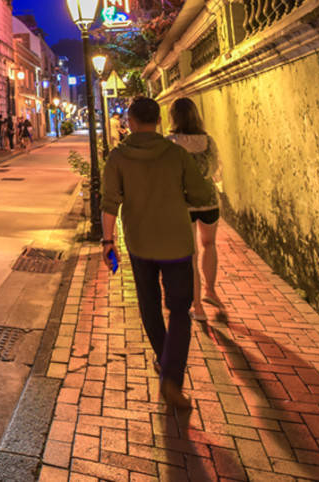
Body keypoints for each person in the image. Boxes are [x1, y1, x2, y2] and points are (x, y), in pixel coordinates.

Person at [100, 96, 215, 409]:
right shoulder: (176, 154)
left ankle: (165, 362)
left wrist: (108, 242)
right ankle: (172, 377)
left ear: (131, 122)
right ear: (159, 122)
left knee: (149, 305)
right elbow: (201, 192)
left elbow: (109, 203)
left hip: (139, 243)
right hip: (177, 242)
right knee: (179, 310)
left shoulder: (118, 157)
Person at [168, 97, 224, 322]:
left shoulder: (170, 142)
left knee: (190, 255)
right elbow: (215, 168)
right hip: (209, 199)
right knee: (209, 245)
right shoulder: (208, 141)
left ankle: (197, 306)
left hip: (184, 203)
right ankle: (210, 289)